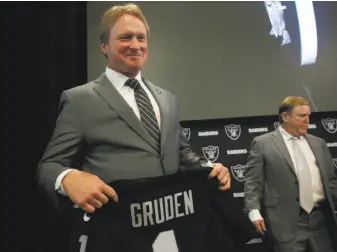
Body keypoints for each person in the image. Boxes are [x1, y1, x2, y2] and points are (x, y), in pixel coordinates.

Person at [36, 3, 230, 219]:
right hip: (118, 228)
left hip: (175, 223)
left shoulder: (167, 99)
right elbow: (49, 166)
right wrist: (67, 178)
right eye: (125, 37)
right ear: (104, 46)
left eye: (141, 37)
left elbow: (181, 152)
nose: (135, 45)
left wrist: (207, 166)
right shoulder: (79, 100)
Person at [244, 96, 337, 252]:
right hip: (285, 222)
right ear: (285, 116)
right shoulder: (263, 143)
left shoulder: (318, 143)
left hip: (320, 220)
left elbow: (331, 181)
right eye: (301, 116)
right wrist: (253, 211)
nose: (307, 120)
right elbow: (253, 181)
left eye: (308, 116)